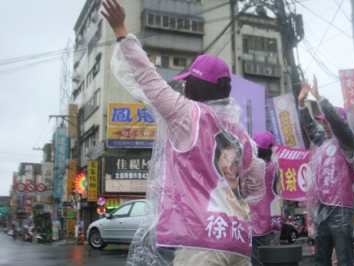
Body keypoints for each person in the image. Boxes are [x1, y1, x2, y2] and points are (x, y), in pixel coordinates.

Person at [101, 1, 265, 265]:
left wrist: (121, 30)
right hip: (238, 240)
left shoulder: (187, 115)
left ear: (193, 87)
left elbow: (147, 79)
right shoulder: (241, 135)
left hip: (200, 241)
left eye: (187, 82)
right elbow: (256, 185)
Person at [298, 75, 354, 265]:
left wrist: (319, 97)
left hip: (341, 209)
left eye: (327, 122)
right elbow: (309, 126)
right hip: (323, 208)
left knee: (344, 258)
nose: (324, 126)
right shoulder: (323, 143)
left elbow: (340, 125)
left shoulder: (348, 143)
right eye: (323, 122)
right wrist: (301, 103)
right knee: (321, 258)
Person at [249, 131, 283, 266]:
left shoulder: (254, 167)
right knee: (271, 258)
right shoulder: (274, 167)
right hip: (273, 217)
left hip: (257, 218)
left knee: (257, 258)